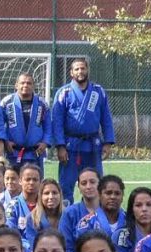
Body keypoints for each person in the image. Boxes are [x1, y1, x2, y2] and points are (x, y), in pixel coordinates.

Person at [52, 59, 115, 203]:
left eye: (82, 68)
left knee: (95, 183)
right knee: (66, 185)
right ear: (71, 73)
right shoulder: (64, 93)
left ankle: (93, 215)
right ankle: (67, 215)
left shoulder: (98, 91)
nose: (80, 72)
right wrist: (60, 146)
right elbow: (57, 122)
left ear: (87, 70)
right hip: (70, 146)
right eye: (77, 69)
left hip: (93, 145)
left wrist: (108, 142)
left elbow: (106, 118)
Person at [1, 72, 52, 172]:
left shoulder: (42, 104)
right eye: (22, 83)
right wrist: (5, 141)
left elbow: (48, 127)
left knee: (34, 184)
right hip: (13, 153)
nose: (25, 85)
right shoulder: (6, 102)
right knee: (12, 184)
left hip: (35, 153)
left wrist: (45, 142)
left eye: (29, 83)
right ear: (16, 85)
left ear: (33, 86)